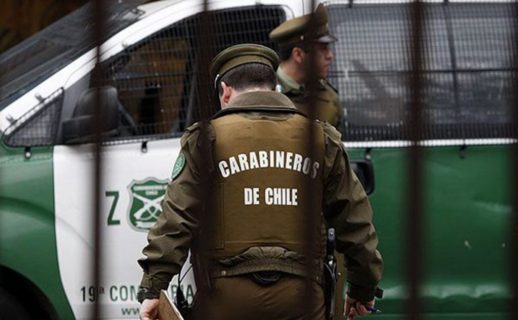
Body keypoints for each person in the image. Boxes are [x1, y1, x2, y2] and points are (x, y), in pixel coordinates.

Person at [137, 43, 382, 320]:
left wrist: (153, 289)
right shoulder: (320, 138)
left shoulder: (205, 139)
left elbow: (177, 219)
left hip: (225, 298)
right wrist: (363, 288)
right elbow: (355, 222)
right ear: (275, 87)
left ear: (226, 91)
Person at [269, 3, 345, 133]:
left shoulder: (328, 97)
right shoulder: (266, 94)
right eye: (322, 49)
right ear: (298, 55)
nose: (330, 56)